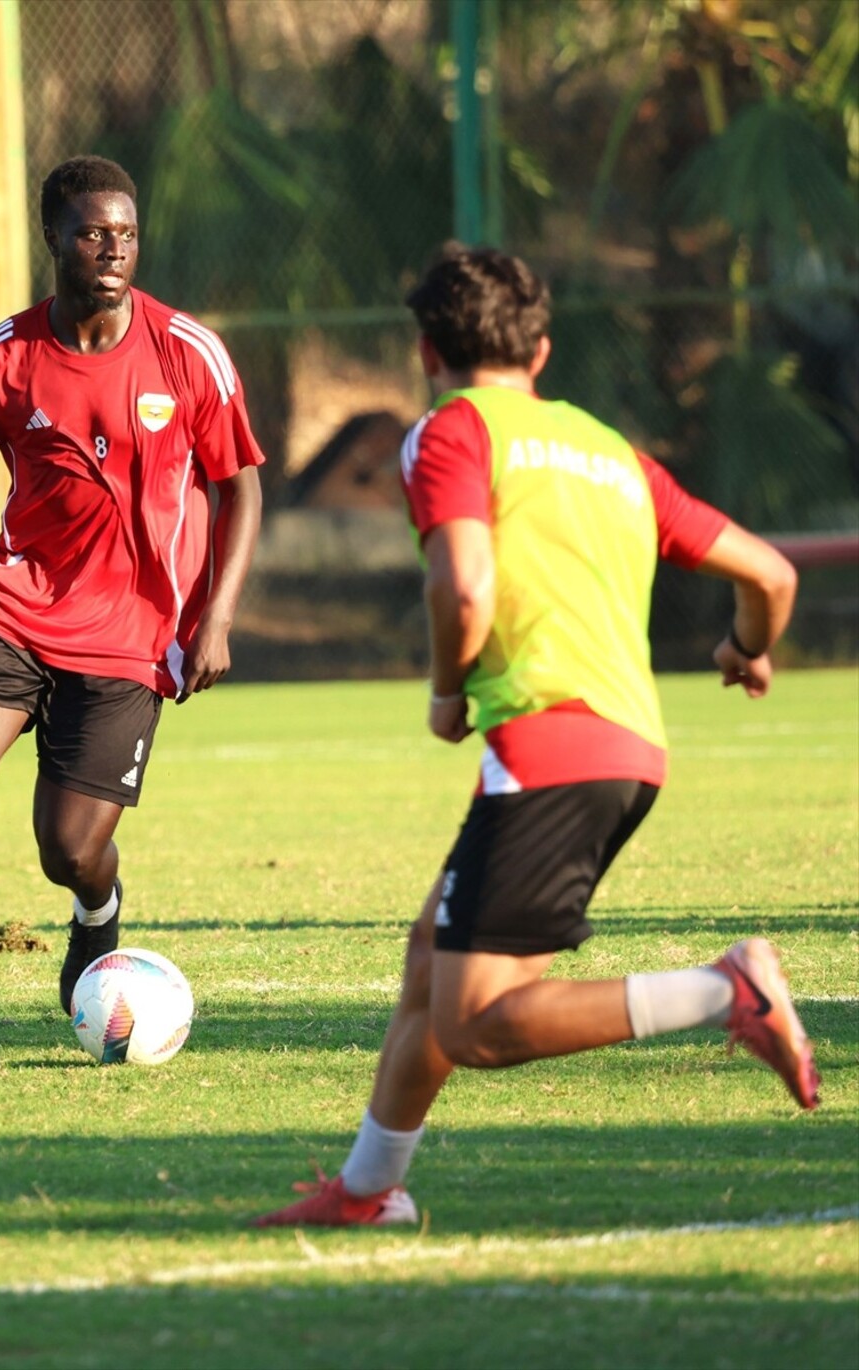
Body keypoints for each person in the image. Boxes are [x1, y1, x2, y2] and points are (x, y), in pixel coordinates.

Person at [254, 243, 817, 1226]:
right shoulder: (608, 451)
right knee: (431, 958)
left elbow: (462, 584)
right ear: (541, 350)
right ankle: (365, 1188)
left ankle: (720, 990)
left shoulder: (448, 433)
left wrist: (444, 690)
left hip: (549, 746)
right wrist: (743, 647)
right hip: (624, 744)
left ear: (425, 351)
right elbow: (768, 574)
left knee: (473, 1023)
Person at [0, 155, 264, 1066]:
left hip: (131, 630)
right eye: (92, 232)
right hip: (15, 605)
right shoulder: (1, 357)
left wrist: (217, 618)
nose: (113, 249)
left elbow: (241, 489)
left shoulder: (187, 352)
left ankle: (99, 911)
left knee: (70, 848)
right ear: (54, 239)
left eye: (125, 233)